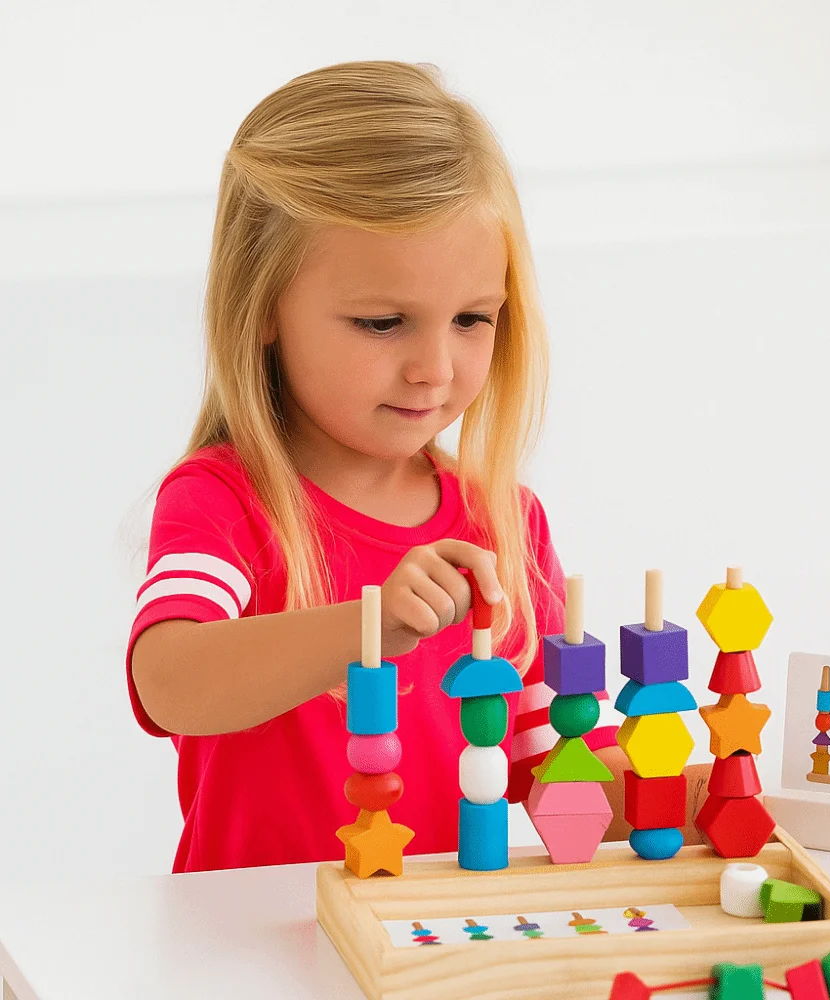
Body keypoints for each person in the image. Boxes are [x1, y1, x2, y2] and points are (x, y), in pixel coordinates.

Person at [127, 60, 629, 874]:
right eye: (384, 322)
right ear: (261, 312)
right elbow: (170, 683)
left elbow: (551, 770)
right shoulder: (222, 501)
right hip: (245, 950)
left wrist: (701, 788)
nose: (435, 367)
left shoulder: (504, 523)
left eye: (472, 318)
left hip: (431, 948)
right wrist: (371, 626)